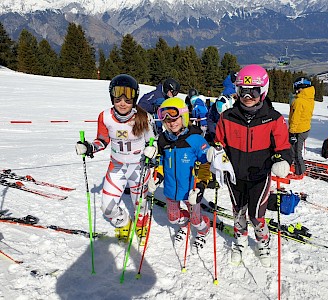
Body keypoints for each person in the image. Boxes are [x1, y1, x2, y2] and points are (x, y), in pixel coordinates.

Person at [207, 64, 292, 266]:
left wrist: (282, 160)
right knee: (238, 212)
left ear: (262, 91)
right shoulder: (227, 117)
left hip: (259, 176)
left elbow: (283, 146)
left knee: (256, 215)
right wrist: (215, 149)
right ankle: (240, 242)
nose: (247, 96)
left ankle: (262, 242)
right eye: (242, 91)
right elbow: (219, 141)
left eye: (253, 91)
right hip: (234, 175)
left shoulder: (273, 118)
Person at [75, 74, 158, 243]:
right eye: (118, 96)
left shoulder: (144, 117)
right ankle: (123, 223)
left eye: (128, 98)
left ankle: (141, 223)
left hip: (139, 168)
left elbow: (154, 141)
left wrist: (152, 150)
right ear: (111, 96)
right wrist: (89, 147)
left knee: (140, 205)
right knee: (107, 207)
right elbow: (103, 140)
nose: (122, 102)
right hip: (117, 167)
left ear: (134, 98)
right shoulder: (105, 117)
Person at [147, 97, 211, 251]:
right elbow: (161, 161)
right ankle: (184, 224)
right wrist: (157, 177)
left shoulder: (195, 139)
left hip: (191, 189)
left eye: (175, 118)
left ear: (184, 117)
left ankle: (203, 231)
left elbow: (206, 164)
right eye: (167, 120)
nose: (171, 123)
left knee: (197, 220)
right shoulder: (163, 140)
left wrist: (201, 185)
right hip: (171, 189)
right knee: (173, 218)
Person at [288, 76, 315, 180]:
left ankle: (300, 172)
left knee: (295, 152)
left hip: (298, 130)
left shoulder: (299, 101)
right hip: (305, 128)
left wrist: (292, 133)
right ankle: (293, 165)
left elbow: (295, 118)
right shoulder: (309, 98)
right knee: (294, 150)